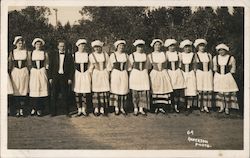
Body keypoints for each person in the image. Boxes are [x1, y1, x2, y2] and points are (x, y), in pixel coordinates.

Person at [48, 40, 74, 117]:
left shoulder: (69, 56)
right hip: (55, 77)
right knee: (54, 94)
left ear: (65, 47)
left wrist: (70, 78)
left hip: (64, 77)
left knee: (65, 95)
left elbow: (72, 68)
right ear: (58, 47)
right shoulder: (53, 55)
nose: (62, 48)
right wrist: (50, 78)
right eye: (61, 46)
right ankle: (53, 112)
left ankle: (67, 112)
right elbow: (50, 67)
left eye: (63, 46)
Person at [148, 39, 173, 114]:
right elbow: (149, 66)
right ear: (153, 46)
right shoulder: (150, 55)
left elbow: (166, 65)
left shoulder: (164, 54)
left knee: (163, 89)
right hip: (154, 73)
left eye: (159, 45)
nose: (157, 46)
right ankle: (155, 107)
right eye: (156, 45)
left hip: (163, 73)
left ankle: (163, 107)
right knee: (155, 89)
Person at [213, 43, 239, 115]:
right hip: (218, 76)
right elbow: (214, 67)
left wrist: (230, 73)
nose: (221, 52)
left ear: (226, 51)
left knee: (227, 92)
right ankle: (221, 107)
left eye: (223, 50)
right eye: (220, 50)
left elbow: (233, 67)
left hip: (227, 76)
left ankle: (227, 107)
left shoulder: (231, 58)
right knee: (220, 92)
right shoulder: (216, 58)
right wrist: (217, 73)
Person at [9, 36, 29, 117]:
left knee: (23, 90)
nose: (20, 45)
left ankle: (22, 110)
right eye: (19, 43)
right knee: (16, 90)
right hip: (15, 72)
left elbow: (29, 63)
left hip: (24, 72)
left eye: (21, 43)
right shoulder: (12, 52)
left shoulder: (26, 52)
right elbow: (10, 63)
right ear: (16, 44)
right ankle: (17, 110)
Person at [128, 39, 150, 116]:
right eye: (138, 47)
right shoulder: (132, 55)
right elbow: (129, 67)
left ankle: (141, 108)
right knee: (135, 92)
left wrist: (145, 73)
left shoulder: (146, 55)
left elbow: (147, 66)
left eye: (141, 47)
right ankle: (135, 108)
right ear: (136, 47)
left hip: (143, 74)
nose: (140, 48)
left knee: (143, 92)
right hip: (135, 74)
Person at [89, 40, 110, 116]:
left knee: (103, 91)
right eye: (95, 47)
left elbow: (108, 65)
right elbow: (90, 67)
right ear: (93, 48)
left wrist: (108, 73)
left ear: (101, 47)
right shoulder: (91, 56)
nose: (97, 49)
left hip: (104, 73)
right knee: (96, 91)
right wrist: (90, 76)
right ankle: (96, 108)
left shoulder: (105, 54)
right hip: (96, 74)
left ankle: (102, 108)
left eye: (98, 47)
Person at [29, 38, 49, 116]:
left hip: (42, 72)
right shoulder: (31, 53)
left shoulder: (44, 53)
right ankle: (34, 108)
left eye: (39, 44)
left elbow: (46, 63)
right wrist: (32, 70)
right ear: (34, 45)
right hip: (34, 73)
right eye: (37, 44)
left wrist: (44, 70)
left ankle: (40, 109)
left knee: (41, 90)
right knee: (34, 90)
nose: (38, 46)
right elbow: (29, 63)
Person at [165, 39, 186, 113]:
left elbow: (180, 63)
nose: (172, 47)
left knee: (178, 90)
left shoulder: (178, 54)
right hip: (169, 73)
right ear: (168, 47)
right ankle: (171, 106)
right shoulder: (166, 54)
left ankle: (177, 106)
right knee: (171, 90)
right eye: (170, 46)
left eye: (173, 46)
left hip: (177, 73)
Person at [109, 40, 129, 115]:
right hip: (115, 74)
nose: (121, 47)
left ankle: (122, 107)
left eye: (122, 46)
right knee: (116, 90)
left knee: (123, 89)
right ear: (117, 47)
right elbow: (109, 66)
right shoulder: (113, 55)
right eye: (120, 46)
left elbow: (128, 66)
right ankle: (116, 108)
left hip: (123, 73)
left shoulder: (126, 55)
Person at [72, 39, 91, 117]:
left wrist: (89, 73)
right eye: (81, 45)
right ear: (78, 46)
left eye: (84, 45)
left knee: (84, 92)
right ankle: (79, 109)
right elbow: (72, 66)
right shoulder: (74, 55)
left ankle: (84, 109)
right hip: (77, 74)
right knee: (77, 92)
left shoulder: (87, 55)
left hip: (85, 74)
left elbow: (90, 65)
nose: (82, 47)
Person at [193, 39, 213, 113]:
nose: (202, 47)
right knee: (200, 89)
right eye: (200, 46)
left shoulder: (208, 55)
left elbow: (211, 65)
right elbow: (194, 66)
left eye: (203, 46)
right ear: (198, 47)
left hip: (207, 73)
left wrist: (210, 72)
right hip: (199, 73)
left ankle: (206, 106)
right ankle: (200, 106)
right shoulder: (195, 55)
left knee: (207, 89)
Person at [179, 39, 197, 115]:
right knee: (183, 89)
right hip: (182, 73)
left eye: (189, 47)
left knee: (190, 89)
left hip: (191, 73)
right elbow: (179, 65)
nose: (187, 49)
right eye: (186, 47)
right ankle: (183, 105)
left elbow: (195, 65)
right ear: (183, 48)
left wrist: (194, 73)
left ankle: (189, 106)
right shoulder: (180, 55)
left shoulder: (193, 55)